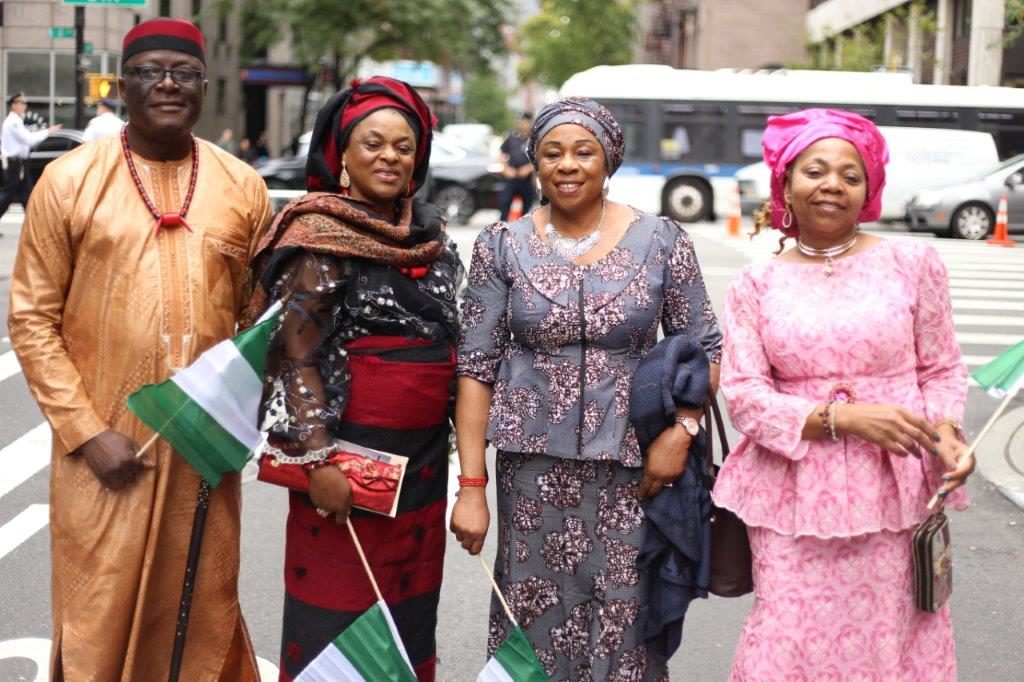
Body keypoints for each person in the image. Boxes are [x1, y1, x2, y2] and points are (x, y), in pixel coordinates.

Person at [8, 18, 271, 680]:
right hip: (103, 456)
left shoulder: (244, 187)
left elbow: (256, 319)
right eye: (151, 71)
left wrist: (237, 411)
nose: (167, 84)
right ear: (122, 84)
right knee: (98, 617)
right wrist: (86, 432)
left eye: (182, 73)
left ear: (204, 87)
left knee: (200, 614)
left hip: (201, 456)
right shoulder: (70, 180)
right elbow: (33, 318)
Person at [451, 97, 722, 681]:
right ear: (536, 163)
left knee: (623, 621)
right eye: (552, 153)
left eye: (583, 151)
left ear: (609, 161)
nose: (567, 165)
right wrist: (470, 487)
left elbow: (705, 347)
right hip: (531, 477)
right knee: (528, 623)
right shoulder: (500, 246)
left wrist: (684, 432)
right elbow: (475, 369)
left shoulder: (662, 240)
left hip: (636, 469)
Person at [711, 108, 976, 680]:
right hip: (791, 493)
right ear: (785, 182)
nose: (832, 184)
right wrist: (845, 419)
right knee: (788, 642)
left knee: (891, 640)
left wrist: (950, 435)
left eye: (850, 175)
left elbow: (941, 368)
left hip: (897, 488)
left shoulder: (913, 263)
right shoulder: (757, 284)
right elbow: (745, 396)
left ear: (869, 190)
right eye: (815, 170)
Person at [246, 76, 462, 682]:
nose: (389, 157)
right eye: (373, 143)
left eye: (403, 145)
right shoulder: (317, 236)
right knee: (335, 633)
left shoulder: (433, 240)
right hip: (342, 472)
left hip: (419, 475)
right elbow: (293, 355)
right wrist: (317, 461)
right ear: (341, 154)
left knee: (406, 624)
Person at [0, 92, 61, 220]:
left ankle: (35, 224)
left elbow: (28, 140)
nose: (25, 106)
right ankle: (36, 224)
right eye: (22, 103)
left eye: (25, 103)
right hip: (13, 163)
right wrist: (47, 131)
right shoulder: (13, 122)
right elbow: (28, 139)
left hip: (20, 163)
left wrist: (43, 133)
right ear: (14, 105)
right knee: (8, 196)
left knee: (26, 195)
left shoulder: (17, 121)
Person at [496, 112, 535, 222]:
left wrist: (528, 168)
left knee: (527, 208)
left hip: (526, 179)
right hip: (511, 177)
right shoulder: (511, 137)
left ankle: (523, 232)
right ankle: (503, 228)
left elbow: (539, 158)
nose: (520, 124)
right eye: (519, 121)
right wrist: (506, 169)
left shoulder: (533, 139)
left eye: (523, 121)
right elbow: (502, 155)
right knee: (504, 203)